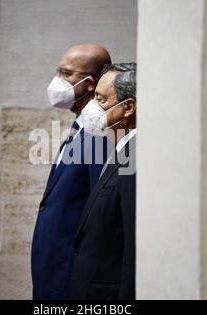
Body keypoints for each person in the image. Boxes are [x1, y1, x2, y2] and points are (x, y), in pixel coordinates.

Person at [31, 44, 111, 299]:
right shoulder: (81, 126)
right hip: (53, 275)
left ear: (91, 83)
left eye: (66, 74)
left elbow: (100, 213)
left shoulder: (100, 133)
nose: (57, 81)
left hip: (70, 281)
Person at [69, 63, 137, 300]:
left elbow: (133, 246)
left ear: (128, 107)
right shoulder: (119, 150)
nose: (91, 107)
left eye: (101, 99)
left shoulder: (135, 161)